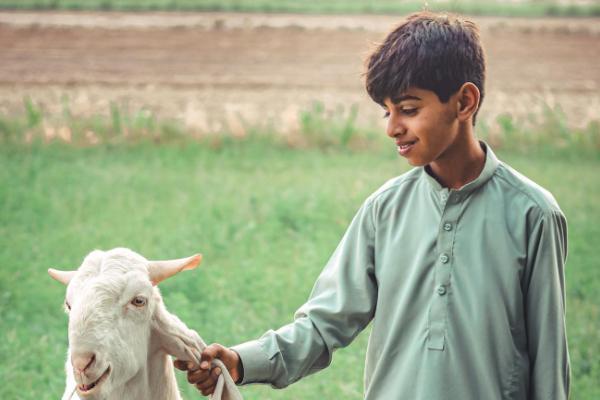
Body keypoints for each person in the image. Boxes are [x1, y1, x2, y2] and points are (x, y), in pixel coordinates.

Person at [174, 11, 570, 399]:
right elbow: (324, 323)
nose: (392, 127)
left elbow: (549, 362)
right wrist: (242, 361)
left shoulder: (532, 214)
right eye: (387, 111)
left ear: (464, 102)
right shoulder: (385, 210)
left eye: (409, 109)